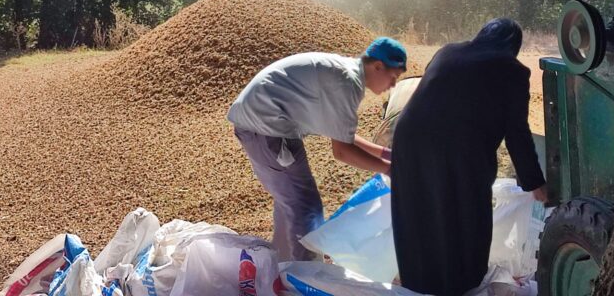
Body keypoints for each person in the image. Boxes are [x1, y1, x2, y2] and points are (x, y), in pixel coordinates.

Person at [390, 18, 547, 296]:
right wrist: (535, 183)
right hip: (459, 148)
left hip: (410, 138)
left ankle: (416, 280)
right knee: (465, 212)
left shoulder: (448, 51)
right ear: (513, 46)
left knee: (418, 206)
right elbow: (517, 133)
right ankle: (460, 283)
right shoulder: (513, 71)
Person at [227, 37, 407, 261]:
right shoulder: (347, 83)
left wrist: (386, 155)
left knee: (290, 203)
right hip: (266, 128)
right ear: (378, 66)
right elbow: (342, 151)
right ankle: (305, 272)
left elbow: (342, 134)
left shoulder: (345, 74)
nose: (393, 85)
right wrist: (390, 170)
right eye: (393, 77)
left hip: (263, 124)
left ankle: (283, 266)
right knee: (305, 206)